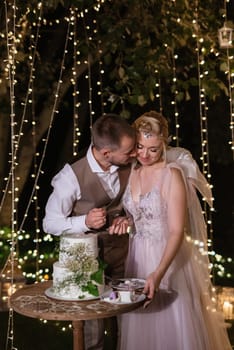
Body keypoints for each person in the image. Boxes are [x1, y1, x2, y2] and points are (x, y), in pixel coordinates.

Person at [110, 111, 232, 350]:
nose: (145, 154)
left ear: (163, 144)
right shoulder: (131, 170)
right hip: (137, 258)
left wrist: (158, 273)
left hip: (168, 258)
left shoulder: (172, 175)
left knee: (172, 326)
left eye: (153, 149)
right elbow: (143, 213)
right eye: (140, 147)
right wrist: (128, 220)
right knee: (141, 326)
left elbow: (176, 231)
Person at [43, 113, 136, 350]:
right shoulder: (70, 177)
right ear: (106, 153)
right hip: (86, 264)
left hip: (124, 256)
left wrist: (127, 217)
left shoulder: (129, 166)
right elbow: (50, 223)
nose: (134, 153)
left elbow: (132, 203)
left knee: (127, 322)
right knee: (93, 334)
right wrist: (84, 222)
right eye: (128, 151)